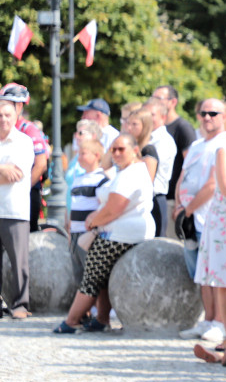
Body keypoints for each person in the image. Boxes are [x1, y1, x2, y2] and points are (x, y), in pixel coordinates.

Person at [54, 134, 155, 333]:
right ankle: (101, 319)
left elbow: (114, 209)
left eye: (121, 149)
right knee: (100, 278)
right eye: (113, 149)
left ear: (135, 150)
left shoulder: (131, 173)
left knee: (91, 277)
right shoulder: (129, 170)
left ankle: (72, 321)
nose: (116, 153)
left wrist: (93, 222)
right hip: (119, 231)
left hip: (119, 234)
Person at [176, 99, 226, 343]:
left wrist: (188, 209)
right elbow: (183, 175)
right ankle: (208, 318)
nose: (207, 117)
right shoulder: (198, 144)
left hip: (211, 216)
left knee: (216, 274)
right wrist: (181, 206)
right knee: (202, 273)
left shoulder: (225, 144)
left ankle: (220, 322)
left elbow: (214, 184)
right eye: (203, 113)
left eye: (213, 113)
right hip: (191, 217)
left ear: (223, 116)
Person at [193, 108, 226, 353]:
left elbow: (225, 186)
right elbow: (224, 187)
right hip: (224, 217)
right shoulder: (225, 148)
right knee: (220, 278)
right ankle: (222, 328)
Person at [0, 99, 35, 319]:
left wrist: (7, 172)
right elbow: (6, 175)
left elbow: (16, 175)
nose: (3, 119)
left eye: (7, 115)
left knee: (19, 262)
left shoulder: (24, 142)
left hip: (14, 210)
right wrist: (3, 169)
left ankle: (20, 304)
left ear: (15, 117)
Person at [0, 84, 48, 233]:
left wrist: (23, 187)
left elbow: (41, 165)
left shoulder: (28, 129)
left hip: (25, 193)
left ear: (18, 106)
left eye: (7, 104)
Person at [151, 85, 197, 210]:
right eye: (152, 98)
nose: (154, 102)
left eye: (158, 98)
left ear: (173, 102)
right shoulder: (153, 129)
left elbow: (190, 166)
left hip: (172, 200)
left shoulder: (183, 128)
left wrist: (180, 201)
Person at [67, 139, 108, 267]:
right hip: (74, 232)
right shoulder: (77, 180)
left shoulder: (102, 180)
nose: (79, 158)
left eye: (83, 153)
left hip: (90, 234)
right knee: (76, 270)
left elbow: (104, 206)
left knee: (89, 268)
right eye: (78, 154)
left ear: (96, 155)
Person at [145, 99, 176, 237]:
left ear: (163, 117)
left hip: (156, 198)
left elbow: (149, 172)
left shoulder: (164, 140)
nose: (147, 118)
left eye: (152, 115)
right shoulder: (146, 138)